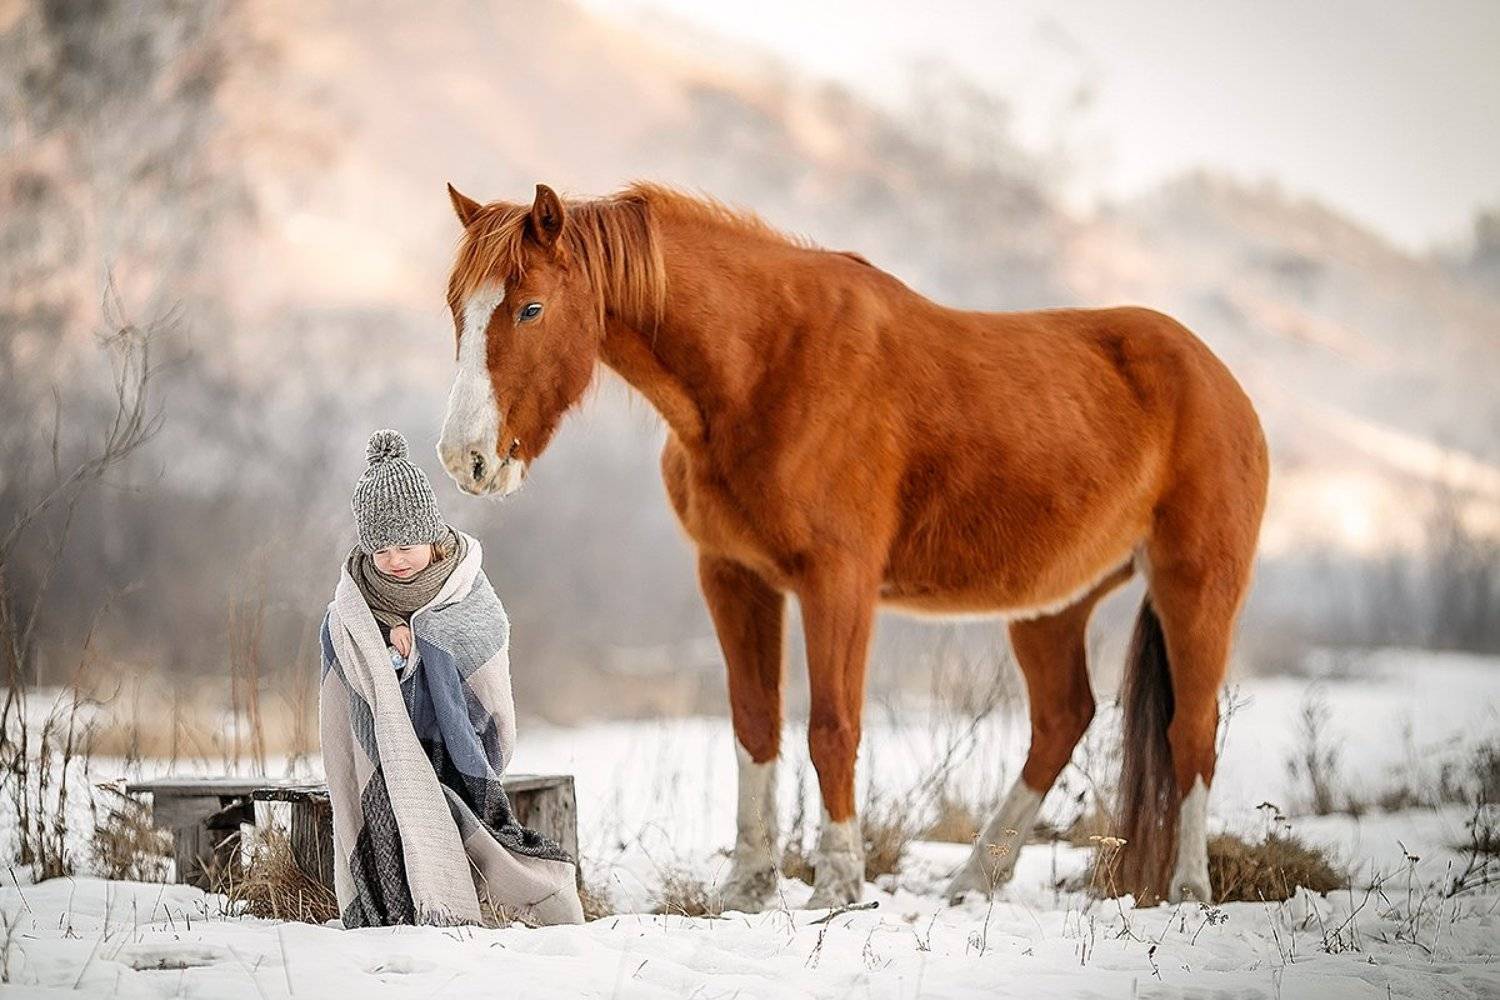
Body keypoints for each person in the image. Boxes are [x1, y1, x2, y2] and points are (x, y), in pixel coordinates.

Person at [318, 429, 583, 927]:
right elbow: (347, 663)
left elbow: (484, 639)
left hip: (458, 746)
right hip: (386, 750)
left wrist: (422, 646)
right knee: (394, 798)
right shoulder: (355, 604)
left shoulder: (463, 584)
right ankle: (397, 903)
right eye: (380, 551)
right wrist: (386, 644)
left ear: (430, 536)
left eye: (405, 545)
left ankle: (519, 894)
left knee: (451, 801)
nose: (394, 561)